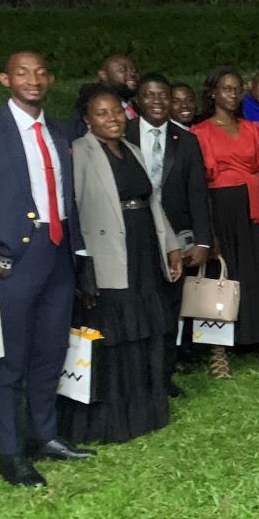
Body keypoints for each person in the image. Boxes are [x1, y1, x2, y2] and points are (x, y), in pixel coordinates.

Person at [0, 51, 93, 487]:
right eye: (22, 73)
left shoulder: (60, 131)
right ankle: (10, 453)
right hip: (11, 260)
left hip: (58, 253)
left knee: (51, 350)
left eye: (41, 72)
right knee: (11, 360)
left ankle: (44, 436)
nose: (33, 80)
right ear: (5, 79)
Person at [65, 86, 183, 445]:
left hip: (144, 248)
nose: (113, 119)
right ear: (87, 119)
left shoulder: (132, 149)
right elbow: (73, 211)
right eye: (102, 113)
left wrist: (171, 245)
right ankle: (113, 419)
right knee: (117, 332)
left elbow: (153, 201)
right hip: (108, 254)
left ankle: (146, 410)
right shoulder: (79, 153)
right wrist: (81, 264)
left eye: (117, 111)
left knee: (147, 326)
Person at [191, 67, 259, 379]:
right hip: (220, 208)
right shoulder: (200, 132)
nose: (233, 94)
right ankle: (218, 352)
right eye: (226, 88)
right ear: (213, 93)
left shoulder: (252, 129)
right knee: (221, 275)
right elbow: (199, 186)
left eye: (237, 89)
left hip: (252, 208)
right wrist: (207, 229)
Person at [127, 74, 213, 395]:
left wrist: (203, 240)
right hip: (133, 234)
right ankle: (136, 374)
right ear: (138, 101)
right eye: (150, 95)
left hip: (176, 236)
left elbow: (197, 193)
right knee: (136, 304)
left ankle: (163, 376)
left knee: (169, 306)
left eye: (163, 95)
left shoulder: (186, 140)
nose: (158, 101)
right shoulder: (122, 133)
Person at [68, 53, 139, 138]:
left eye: (134, 71)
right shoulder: (91, 103)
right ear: (103, 75)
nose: (132, 74)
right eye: (122, 70)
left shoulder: (136, 106)